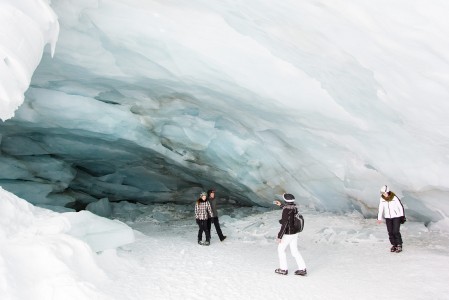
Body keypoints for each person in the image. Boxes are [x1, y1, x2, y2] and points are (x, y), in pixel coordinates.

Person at [273, 193, 307, 276]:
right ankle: (302, 269)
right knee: (295, 251)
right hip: (295, 233)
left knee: (280, 250)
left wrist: (279, 236)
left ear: (286, 200)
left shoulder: (286, 210)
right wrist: (280, 205)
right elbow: (289, 211)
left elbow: (284, 225)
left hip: (288, 234)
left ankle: (283, 269)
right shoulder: (294, 208)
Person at [377, 185, 405, 253]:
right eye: (382, 193)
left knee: (395, 231)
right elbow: (381, 208)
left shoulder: (394, 197)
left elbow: (400, 206)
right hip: (388, 217)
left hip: (396, 216)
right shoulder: (382, 199)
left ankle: (399, 245)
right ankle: (394, 245)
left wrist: (402, 216)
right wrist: (379, 218)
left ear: (387, 191)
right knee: (390, 232)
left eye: (384, 193)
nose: (384, 194)